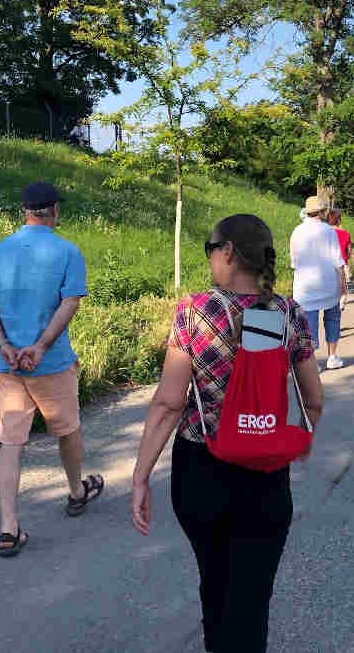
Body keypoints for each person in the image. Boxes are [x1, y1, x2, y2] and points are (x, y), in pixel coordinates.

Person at [131, 214, 323, 653]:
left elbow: (167, 403)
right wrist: (303, 441)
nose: (210, 258)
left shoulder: (193, 312)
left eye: (211, 249)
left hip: (202, 473)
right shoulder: (288, 313)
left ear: (229, 252)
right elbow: (313, 399)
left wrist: (141, 476)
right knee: (252, 600)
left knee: (214, 584)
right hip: (265, 473)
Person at [0, 182, 102, 557]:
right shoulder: (67, 252)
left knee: (10, 441)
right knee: (67, 429)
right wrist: (41, 346)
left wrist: (6, 347)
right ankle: (77, 492)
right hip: (51, 362)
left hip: (8, 364)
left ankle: (7, 527)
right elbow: (69, 304)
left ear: (25, 211)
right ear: (55, 211)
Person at [290, 197, 347, 370]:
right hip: (328, 282)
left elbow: (294, 261)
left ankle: (313, 361)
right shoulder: (329, 231)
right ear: (323, 212)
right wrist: (343, 283)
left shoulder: (297, 231)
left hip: (305, 285)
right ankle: (332, 356)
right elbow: (338, 260)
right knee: (333, 318)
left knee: (309, 324)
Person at [326, 208, 354, 284]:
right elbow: (349, 253)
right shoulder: (346, 234)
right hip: (343, 265)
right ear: (339, 220)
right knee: (342, 293)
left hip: (328, 266)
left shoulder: (324, 233)